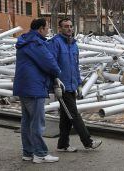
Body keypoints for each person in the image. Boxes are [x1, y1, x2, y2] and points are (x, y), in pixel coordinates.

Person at [49, 18, 102, 152]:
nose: (69, 28)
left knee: (66, 116)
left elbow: (76, 66)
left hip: (72, 85)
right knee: (74, 114)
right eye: (66, 26)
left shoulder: (74, 44)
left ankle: (62, 145)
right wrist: (55, 84)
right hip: (62, 86)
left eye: (71, 26)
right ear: (60, 28)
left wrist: (79, 84)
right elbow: (51, 65)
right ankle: (88, 142)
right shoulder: (55, 43)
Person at [13, 18, 62, 163]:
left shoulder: (25, 41)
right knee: (37, 122)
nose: (48, 30)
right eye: (47, 27)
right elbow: (50, 63)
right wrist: (57, 74)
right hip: (34, 87)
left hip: (24, 86)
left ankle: (28, 153)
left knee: (27, 121)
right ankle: (40, 154)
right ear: (40, 29)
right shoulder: (36, 43)